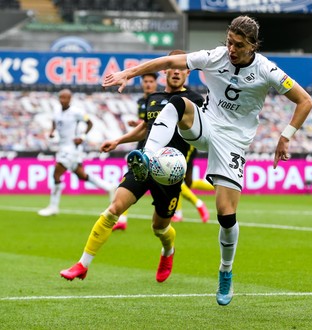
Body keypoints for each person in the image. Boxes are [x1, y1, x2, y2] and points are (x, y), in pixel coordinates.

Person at [102, 15, 312, 306]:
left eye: (238, 45)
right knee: (177, 102)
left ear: (252, 45)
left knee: (226, 215)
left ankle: (225, 271)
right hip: (207, 123)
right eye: (229, 41)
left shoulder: (267, 69)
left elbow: (305, 100)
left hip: (234, 141)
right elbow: (168, 63)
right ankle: (148, 158)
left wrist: (286, 136)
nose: (231, 49)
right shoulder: (215, 56)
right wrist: (129, 72)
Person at [59, 50, 205, 284]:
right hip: (144, 164)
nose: (177, 72)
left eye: (182, 68)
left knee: (159, 228)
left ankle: (168, 251)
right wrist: (118, 140)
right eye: (173, 68)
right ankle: (82, 264)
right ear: (165, 70)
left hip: (169, 173)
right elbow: (145, 128)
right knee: (115, 207)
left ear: (188, 71)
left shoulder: (194, 100)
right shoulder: (153, 98)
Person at [38, 89, 115, 217]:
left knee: (56, 174)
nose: (63, 100)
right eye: (61, 98)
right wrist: (52, 131)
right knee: (81, 175)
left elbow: (90, 122)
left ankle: (53, 207)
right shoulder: (57, 111)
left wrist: (82, 137)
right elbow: (54, 121)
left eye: (65, 98)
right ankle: (109, 187)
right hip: (63, 147)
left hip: (72, 148)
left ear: (70, 99)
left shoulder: (76, 112)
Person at [113, 73, 158, 230]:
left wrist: (138, 123)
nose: (148, 84)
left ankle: (190, 207)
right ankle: (122, 219)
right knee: (130, 179)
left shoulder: (159, 100)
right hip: (141, 144)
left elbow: (155, 123)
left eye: (151, 81)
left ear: (156, 83)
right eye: (145, 81)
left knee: (169, 180)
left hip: (157, 146)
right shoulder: (141, 101)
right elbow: (145, 125)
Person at [171, 145, 213, 223]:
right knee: (187, 183)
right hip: (187, 146)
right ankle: (217, 187)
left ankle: (198, 204)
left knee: (177, 181)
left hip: (184, 146)